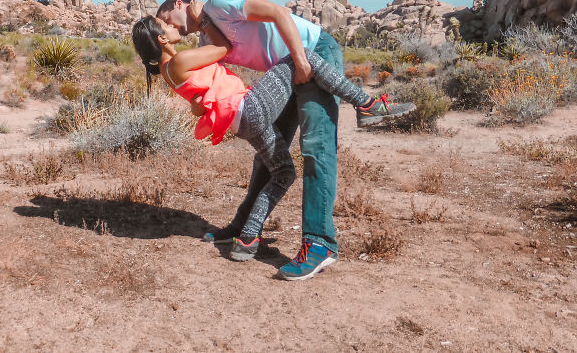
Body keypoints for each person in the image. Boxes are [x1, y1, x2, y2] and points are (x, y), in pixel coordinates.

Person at [131, 15, 414, 270]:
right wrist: (204, 21)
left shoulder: (169, 71)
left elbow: (199, 98)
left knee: (284, 173)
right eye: (167, 25)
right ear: (162, 39)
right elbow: (221, 50)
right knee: (300, 56)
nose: (174, 25)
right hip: (249, 108)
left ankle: (248, 237)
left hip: (241, 122)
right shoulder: (179, 61)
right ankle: (367, 104)